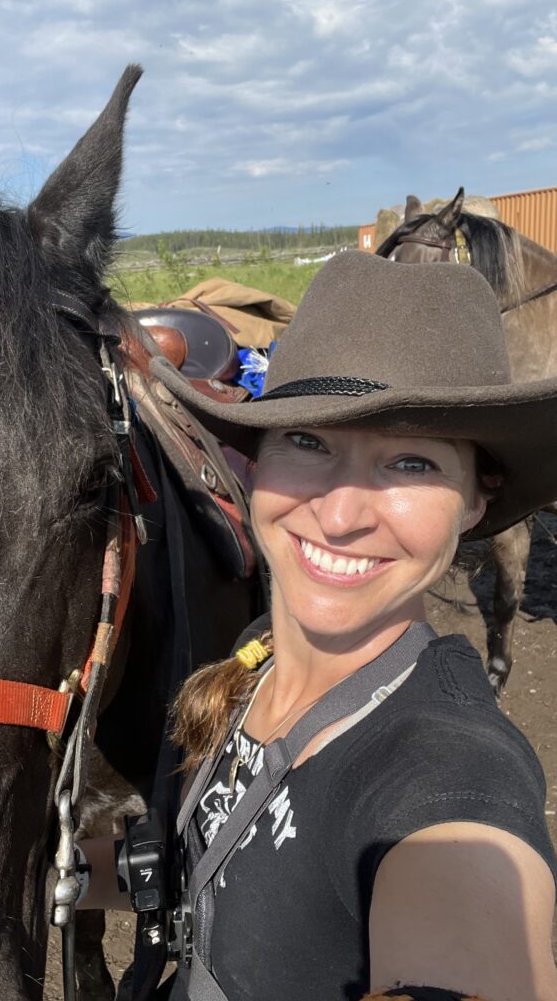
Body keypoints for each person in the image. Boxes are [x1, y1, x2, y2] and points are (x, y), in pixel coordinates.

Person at [80, 250, 557, 1001]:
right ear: (256, 464)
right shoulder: (254, 657)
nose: (340, 515)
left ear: (474, 500)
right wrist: (63, 872)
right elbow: (208, 863)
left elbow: (467, 909)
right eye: (308, 442)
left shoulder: (450, 780)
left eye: (410, 464)